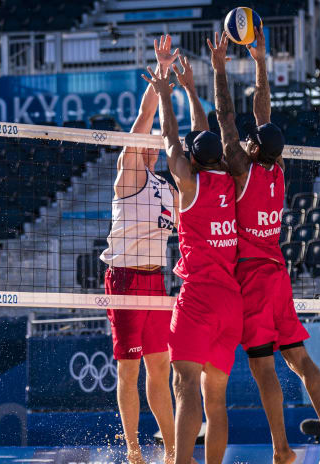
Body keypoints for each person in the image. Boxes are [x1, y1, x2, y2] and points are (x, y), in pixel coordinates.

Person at [209, 29, 320, 464]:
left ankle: (282, 449)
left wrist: (220, 68)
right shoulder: (277, 169)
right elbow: (261, 116)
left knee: (264, 367)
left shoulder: (242, 168)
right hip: (278, 274)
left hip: (252, 279)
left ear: (254, 148)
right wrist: (261, 62)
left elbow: (227, 116)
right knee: (300, 359)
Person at [141, 62, 242, 464]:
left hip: (199, 299)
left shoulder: (189, 183)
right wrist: (190, 90)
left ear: (193, 161)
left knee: (183, 387)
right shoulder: (232, 180)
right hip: (231, 303)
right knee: (215, 398)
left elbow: (170, 139)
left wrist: (166, 92)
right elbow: (203, 138)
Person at [98, 34, 180, 464]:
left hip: (157, 283)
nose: (153, 141)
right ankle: (133, 451)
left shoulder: (167, 188)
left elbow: (188, 229)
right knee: (128, 370)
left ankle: (171, 452)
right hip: (126, 278)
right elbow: (148, 115)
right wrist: (161, 71)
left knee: (159, 371)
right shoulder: (129, 171)